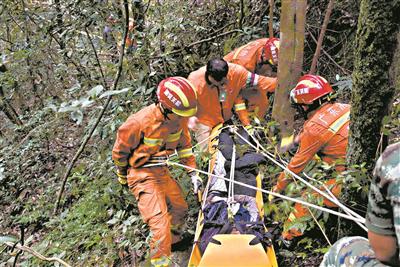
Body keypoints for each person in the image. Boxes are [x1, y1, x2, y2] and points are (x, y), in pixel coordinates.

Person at [112, 77, 203, 267]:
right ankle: (160, 262)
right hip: (141, 175)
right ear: (164, 107)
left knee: (179, 208)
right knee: (159, 225)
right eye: (179, 114)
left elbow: (185, 146)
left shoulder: (178, 120)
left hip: (161, 171)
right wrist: (122, 175)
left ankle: (175, 241)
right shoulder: (139, 122)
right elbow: (120, 152)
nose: (182, 118)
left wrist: (193, 173)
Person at [270, 74, 350, 241]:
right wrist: (296, 140)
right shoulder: (345, 107)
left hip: (348, 179)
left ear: (306, 105)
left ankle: (287, 237)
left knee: (307, 199)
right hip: (362, 164)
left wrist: (276, 190)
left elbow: (295, 167)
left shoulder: (313, 129)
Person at [320, 142, 400, 267]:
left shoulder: (394, 159)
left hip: (339, 164)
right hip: (340, 158)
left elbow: (384, 253)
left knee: (343, 247)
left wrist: (278, 188)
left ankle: (289, 236)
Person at [187, 58, 277, 151]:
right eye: (219, 83)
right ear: (209, 76)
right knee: (208, 154)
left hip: (226, 119)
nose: (223, 84)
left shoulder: (237, 73)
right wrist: (190, 117)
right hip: (204, 122)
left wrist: (284, 83)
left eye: (224, 81)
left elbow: (262, 82)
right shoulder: (194, 81)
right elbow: (184, 103)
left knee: (234, 150)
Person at [224, 38, 280, 123]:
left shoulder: (271, 44)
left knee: (262, 103)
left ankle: (256, 122)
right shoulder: (243, 64)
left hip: (250, 71)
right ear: (264, 56)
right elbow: (238, 96)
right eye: (270, 64)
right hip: (227, 80)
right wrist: (246, 123)